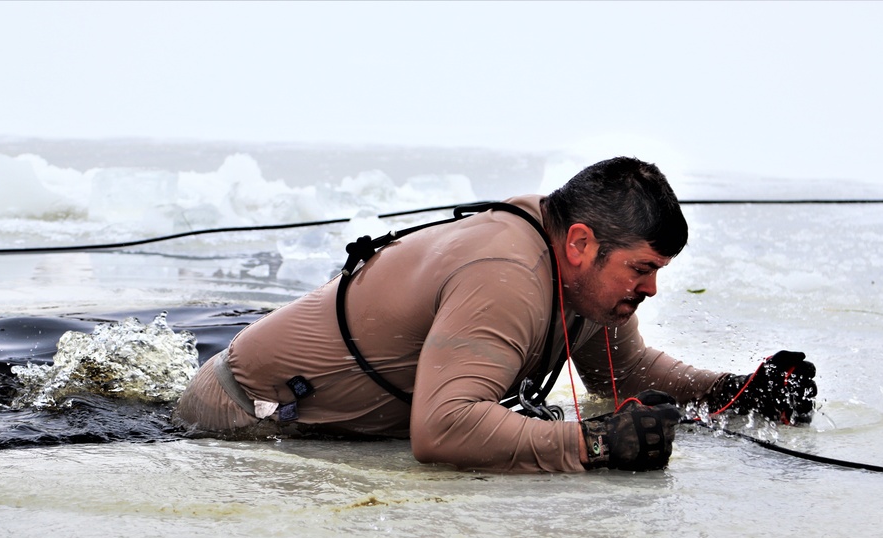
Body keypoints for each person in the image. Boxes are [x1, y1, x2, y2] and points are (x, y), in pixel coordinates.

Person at [172, 157, 817, 473]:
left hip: (325, 429)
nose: (649, 290)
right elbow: (442, 429)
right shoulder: (507, 275)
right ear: (582, 243)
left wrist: (736, 390)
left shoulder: (589, 282)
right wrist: (593, 444)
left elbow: (626, 369)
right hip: (238, 421)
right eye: (641, 269)